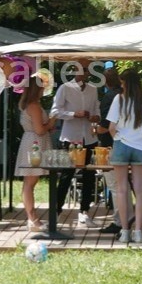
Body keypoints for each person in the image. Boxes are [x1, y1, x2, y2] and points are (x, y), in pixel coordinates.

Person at [107, 69, 142, 247]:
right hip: (140, 147)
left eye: (122, 83)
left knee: (122, 190)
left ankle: (125, 231)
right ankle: (138, 232)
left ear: (125, 83)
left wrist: (118, 138)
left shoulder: (119, 99)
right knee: (139, 190)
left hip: (121, 145)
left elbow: (111, 127)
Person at [51, 63, 101, 226]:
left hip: (89, 137)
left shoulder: (93, 89)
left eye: (87, 69)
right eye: (83, 69)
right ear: (74, 71)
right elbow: (55, 112)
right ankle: (56, 211)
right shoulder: (65, 88)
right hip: (71, 138)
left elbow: (97, 112)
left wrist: (94, 117)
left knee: (88, 176)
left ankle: (84, 212)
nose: (86, 72)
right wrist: (74, 114)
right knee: (67, 175)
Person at [14, 79, 57, 231]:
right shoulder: (34, 106)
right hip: (35, 145)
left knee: (29, 182)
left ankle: (31, 218)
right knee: (30, 183)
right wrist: (52, 121)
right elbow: (39, 130)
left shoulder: (29, 105)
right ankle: (33, 219)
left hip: (32, 143)